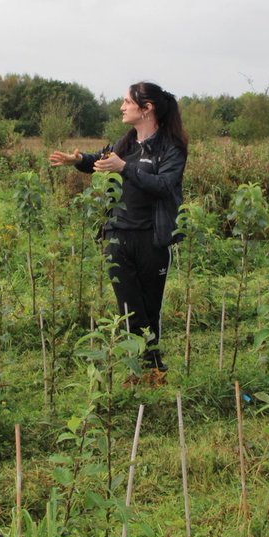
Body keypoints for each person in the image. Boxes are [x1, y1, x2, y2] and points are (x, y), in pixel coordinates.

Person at [49, 81, 188, 374]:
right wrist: (78, 160)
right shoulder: (125, 144)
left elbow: (164, 185)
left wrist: (124, 168)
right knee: (128, 308)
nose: (121, 107)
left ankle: (152, 368)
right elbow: (102, 160)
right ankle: (139, 367)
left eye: (127, 101)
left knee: (149, 309)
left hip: (152, 239)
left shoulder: (171, 147)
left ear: (147, 108)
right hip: (117, 236)